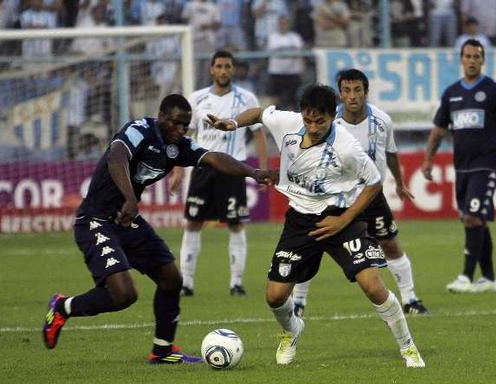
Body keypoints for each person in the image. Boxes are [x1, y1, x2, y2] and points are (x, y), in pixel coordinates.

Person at [42, 94, 274, 364]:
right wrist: (130, 198)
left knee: (171, 279)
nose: (180, 129)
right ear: (162, 116)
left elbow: (214, 158)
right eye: (175, 123)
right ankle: (61, 307)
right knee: (123, 295)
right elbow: (116, 158)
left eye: (185, 125)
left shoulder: (179, 145)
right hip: (96, 219)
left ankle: (162, 350)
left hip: (127, 220)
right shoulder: (139, 130)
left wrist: (254, 172)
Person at [208, 85, 425, 368]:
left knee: (373, 287)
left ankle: (408, 348)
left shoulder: (347, 147)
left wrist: (344, 220)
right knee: (274, 297)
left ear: (332, 115)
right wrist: (233, 123)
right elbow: (260, 113)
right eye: (308, 120)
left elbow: (374, 183)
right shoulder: (288, 123)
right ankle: (292, 330)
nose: (312, 127)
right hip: (300, 220)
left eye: (319, 121)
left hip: (341, 217)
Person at [292, 69, 429, 317]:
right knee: (314, 244)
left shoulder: (382, 120)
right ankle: (299, 302)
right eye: (347, 90)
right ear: (340, 94)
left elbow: (391, 152)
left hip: (371, 195)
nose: (352, 96)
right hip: (335, 196)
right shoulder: (329, 121)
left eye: (357, 90)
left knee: (390, 242)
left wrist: (399, 183)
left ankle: (411, 299)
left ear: (366, 92)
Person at [421, 39, 496, 293]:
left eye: (477, 56)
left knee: (472, 217)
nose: (472, 60)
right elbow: (439, 129)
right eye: (468, 56)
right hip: (462, 167)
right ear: (461, 59)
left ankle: (466, 277)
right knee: (477, 220)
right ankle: (488, 279)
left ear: (483, 60)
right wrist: (429, 159)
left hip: (487, 164)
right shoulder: (451, 93)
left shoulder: (494, 90)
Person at [168, 50, 268, 297]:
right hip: (203, 167)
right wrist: (178, 171)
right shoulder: (197, 98)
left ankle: (236, 283)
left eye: (227, 66)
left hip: (234, 168)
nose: (223, 71)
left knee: (236, 225)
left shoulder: (246, 98)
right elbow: (185, 136)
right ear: (212, 69)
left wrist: (262, 169)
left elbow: (257, 133)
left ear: (233, 70)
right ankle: (187, 283)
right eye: (219, 66)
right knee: (192, 223)